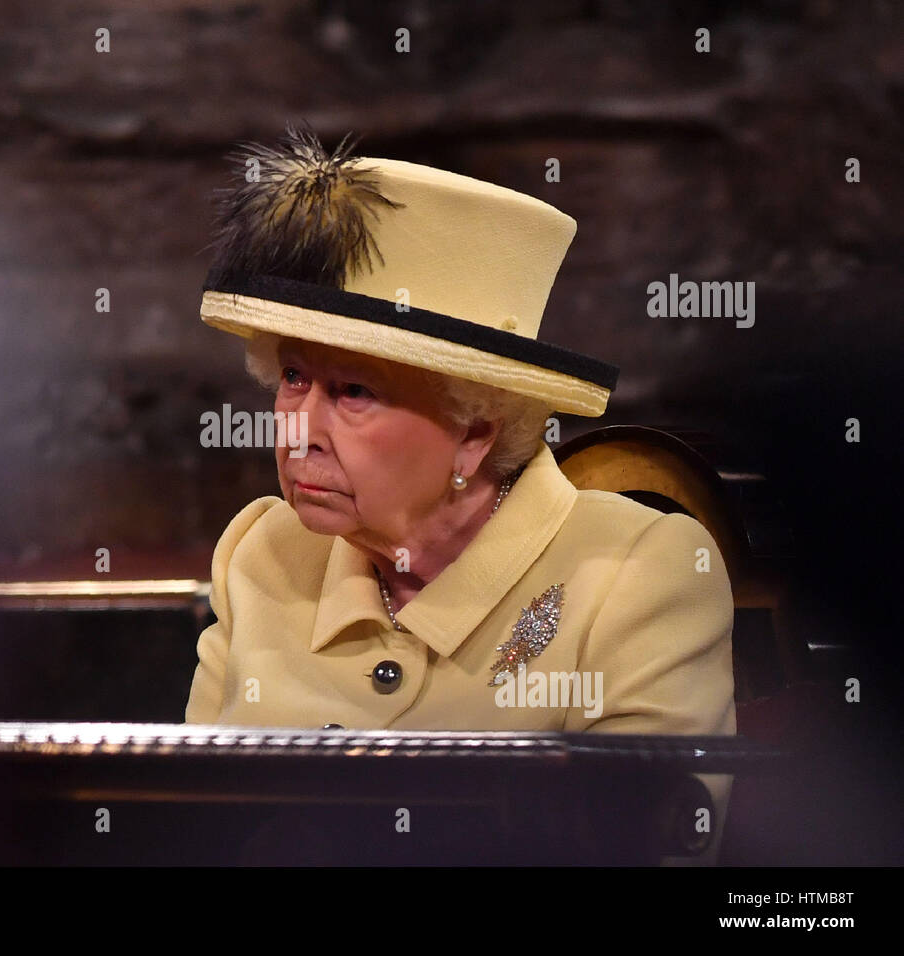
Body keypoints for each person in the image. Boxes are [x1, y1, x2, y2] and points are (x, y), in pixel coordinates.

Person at [184, 123, 736, 863]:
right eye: (292, 378)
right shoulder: (263, 557)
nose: (299, 432)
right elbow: (187, 825)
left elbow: (658, 850)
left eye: (352, 391)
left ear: (475, 430)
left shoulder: (636, 573)